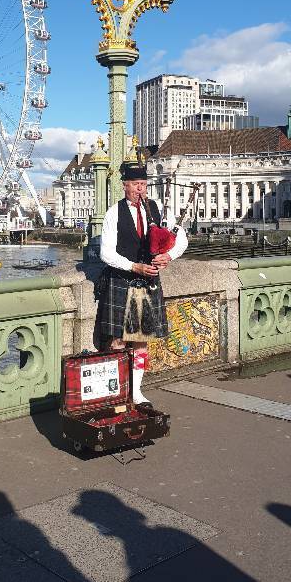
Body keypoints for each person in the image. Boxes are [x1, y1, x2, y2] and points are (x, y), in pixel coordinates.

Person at [94, 161, 188, 412]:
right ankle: (115, 391)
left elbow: (181, 238)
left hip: (148, 283)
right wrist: (134, 266)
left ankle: (135, 392)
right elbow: (106, 252)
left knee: (141, 341)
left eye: (144, 185)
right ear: (124, 186)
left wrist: (169, 256)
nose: (141, 190)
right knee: (117, 341)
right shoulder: (114, 212)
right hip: (122, 281)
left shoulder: (157, 209)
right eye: (136, 185)